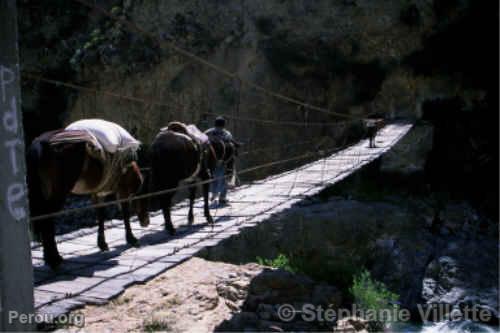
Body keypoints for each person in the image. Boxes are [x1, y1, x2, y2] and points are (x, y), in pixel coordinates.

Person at [205, 116, 239, 205]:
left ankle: (213, 195)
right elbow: (231, 145)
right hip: (224, 161)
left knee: (212, 178)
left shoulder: (208, 132)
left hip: (210, 161)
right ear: (224, 125)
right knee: (224, 177)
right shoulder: (226, 133)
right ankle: (222, 198)